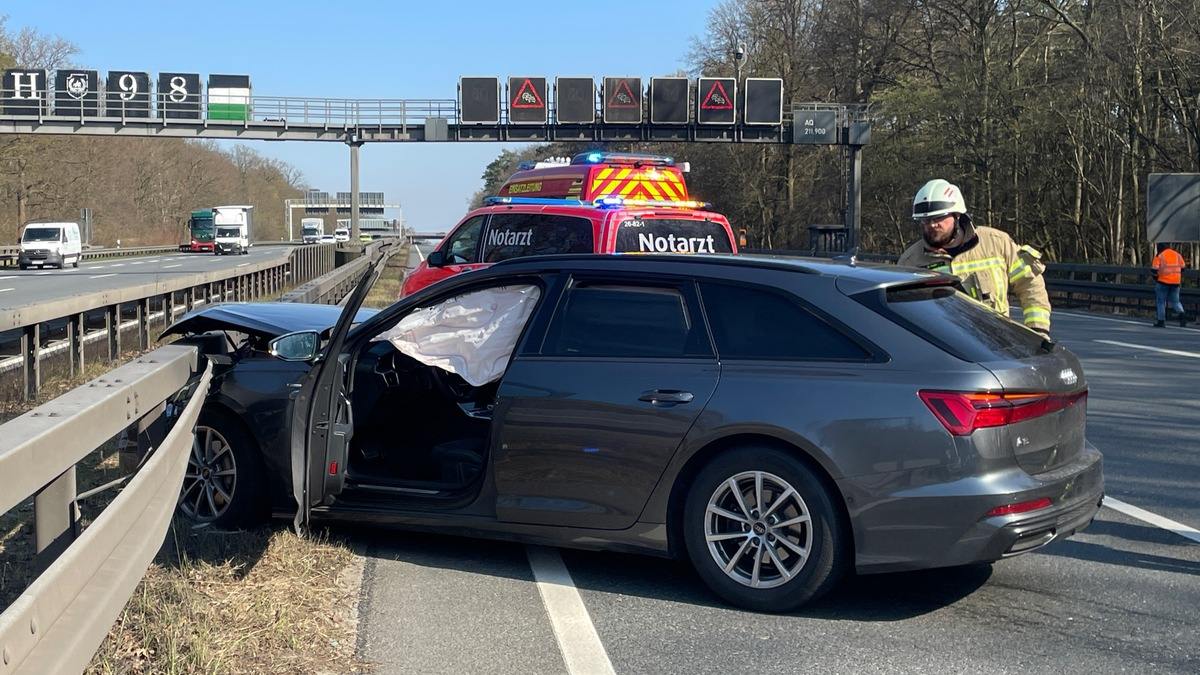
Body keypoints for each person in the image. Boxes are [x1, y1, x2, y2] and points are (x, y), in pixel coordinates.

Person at [899, 179, 1052, 335]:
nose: (931, 225)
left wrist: (1038, 330)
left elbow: (1030, 284)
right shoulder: (910, 262)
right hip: (941, 350)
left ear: (957, 215)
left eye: (938, 218)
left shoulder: (997, 243)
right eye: (925, 220)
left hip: (996, 344)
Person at [1151, 242, 1187, 327]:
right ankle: (1182, 314)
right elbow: (1183, 267)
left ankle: (1161, 321)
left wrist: (1156, 278)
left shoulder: (1160, 256)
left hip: (1163, 282)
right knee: (1176, 301)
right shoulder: (1177, 255)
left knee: (1161, 302)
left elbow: (1154, 269)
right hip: (1176, 282)